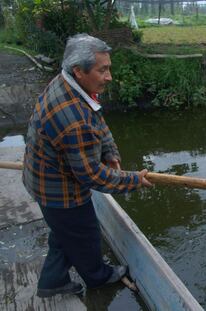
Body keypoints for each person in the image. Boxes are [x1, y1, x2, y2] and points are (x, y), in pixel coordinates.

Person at [22, 33, 152, 298]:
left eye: (109, 68)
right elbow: (92, 175)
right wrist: (134, 180)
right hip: (58, 189)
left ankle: (52, 281)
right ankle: (99, 277)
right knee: (85, 233)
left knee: (64, 233)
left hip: (43, 177)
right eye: (102, 70)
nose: (109, 76)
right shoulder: (73, 119)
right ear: (79, 71)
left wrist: (110, 152)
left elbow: (97, 119)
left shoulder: (68, 84)